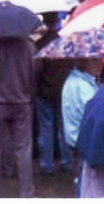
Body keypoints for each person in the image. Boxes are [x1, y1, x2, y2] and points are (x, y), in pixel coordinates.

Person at [0, 36, 36, 198]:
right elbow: (34, 73)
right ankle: (26, 192)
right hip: (22, 101)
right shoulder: (28, 45)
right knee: (23, 149)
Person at [34, 12, 73, 175]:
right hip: (63, 90)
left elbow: (37, 68)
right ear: (57, 20)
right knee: (63, 128)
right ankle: (66, 161)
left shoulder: (41, 43)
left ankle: (47, 164)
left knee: (46, 128)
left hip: (45, 91)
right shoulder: (65, 42)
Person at [61, 57, 104, 197]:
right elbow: (96, 115)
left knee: (81, 179)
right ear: (84, 62)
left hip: (75, 139)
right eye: (95, 60)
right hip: (85, 140)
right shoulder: (83, 87)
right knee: (86, 184)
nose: (100, 63)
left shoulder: (74, 80)